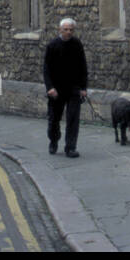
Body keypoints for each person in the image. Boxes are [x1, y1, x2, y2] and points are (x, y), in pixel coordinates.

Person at [44, 17, 88, 157]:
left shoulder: (77, 44)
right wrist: (50, 87)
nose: (68, 32)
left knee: (73, 119)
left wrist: (83, 88)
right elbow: (46, 69)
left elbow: (83, 67)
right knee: (54, 120)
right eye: (66, 30)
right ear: (60, 30)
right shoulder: (52, 45)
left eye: (71, 30)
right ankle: (54, 140)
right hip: (56, 90)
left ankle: (70, 147)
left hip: (73, 89)